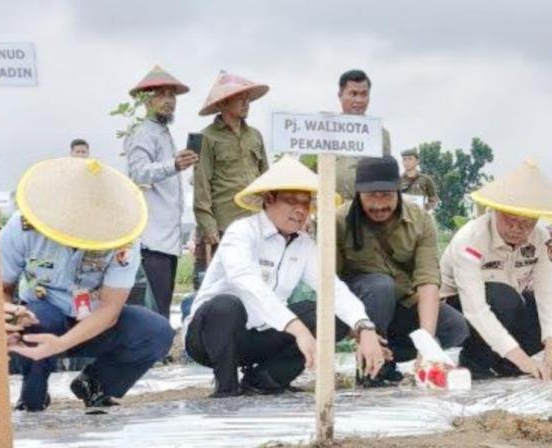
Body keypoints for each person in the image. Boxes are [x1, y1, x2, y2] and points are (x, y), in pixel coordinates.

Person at [184, 157, 386, 397]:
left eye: (306, 202)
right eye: (291, 201)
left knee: (330, 315)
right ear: (269, 199)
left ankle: (265, 380)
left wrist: (364, 327)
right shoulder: (242, 232)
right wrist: (296, 328)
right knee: (226, 305)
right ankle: (226, 390)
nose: (300, 210)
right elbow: (246, 282)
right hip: (211, 338)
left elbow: (332, 288)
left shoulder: (304, 245)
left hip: (262, 335)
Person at [1, 157, 173, 411]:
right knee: (37, 321)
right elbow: (0, 287)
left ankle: (95, 384)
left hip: (94, 321)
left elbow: (109, 310)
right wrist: (12, 316)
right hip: (45, 314)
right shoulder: (24, 227)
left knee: (156, 332)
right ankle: (33, 395)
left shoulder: (122, 238)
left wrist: (61, 344)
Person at [440, 159, 552, 380]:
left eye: (526, 224)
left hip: (512, 307)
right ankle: (477, 362)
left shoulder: (541, 239)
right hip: (464, 312)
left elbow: (549, 291)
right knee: (503, 297)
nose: (517, 230)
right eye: (510, 221)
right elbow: (475, 309)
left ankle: (508, 364)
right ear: (496, 211)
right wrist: (524, 360)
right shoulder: (471, 239)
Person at [337, 155, 469, 386]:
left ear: (398, 191)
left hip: (402, 302)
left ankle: (387, 356)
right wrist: (359, 330)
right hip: (360, 307)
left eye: (386, 195)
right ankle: (370, 367)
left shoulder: (421, 221)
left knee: (454, 327)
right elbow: (331, 283)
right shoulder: (338, 221)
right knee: (380, 286)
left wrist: (426, 345)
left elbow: (427, 282)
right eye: (371, 196)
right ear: (358, 194)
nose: (379, 205)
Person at [125, 65, 198, 320]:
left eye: (172, 95)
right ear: (146, 99)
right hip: (151, 238)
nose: (169, 100)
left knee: (163, 301)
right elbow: (137, 172)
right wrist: (173, 165)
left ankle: (159, 349)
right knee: (154, 304)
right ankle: (152, 352)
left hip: (166, 237)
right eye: (161, 94)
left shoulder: (163, 132)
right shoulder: (143, 132)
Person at [192, 71, 270, 290]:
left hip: (257, 222)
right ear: (224, 102)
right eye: (240, 97)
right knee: (227, 284)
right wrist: (209, 228)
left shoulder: (255, 135)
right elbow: (202, 184)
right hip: (225, 224)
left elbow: (266, 177)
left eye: (248, 97)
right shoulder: (206, 137)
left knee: (260, 281)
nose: (247, 102)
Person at [335, 69, 393, 200]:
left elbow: (386, 176)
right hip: (329, 208)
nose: (359, 100)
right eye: (353, 94)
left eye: (364, 94)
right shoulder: (324, 130)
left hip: (366, 209)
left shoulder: (380, 135)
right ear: (340, 95)